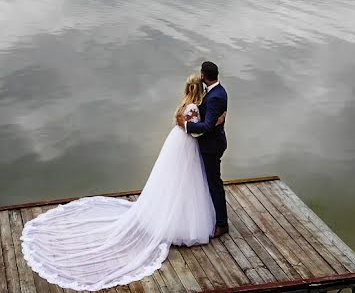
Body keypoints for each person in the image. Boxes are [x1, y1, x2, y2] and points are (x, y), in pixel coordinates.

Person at [21, 72, 226, 291]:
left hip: (177, 144)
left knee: (177, 182)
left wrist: (204, 123)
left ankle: (179, 216)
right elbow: (199, 131)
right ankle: (188, 221)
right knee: (189, 183)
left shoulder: (185, 105)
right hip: (188, 146)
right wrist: (210, 124)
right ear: (200, 89)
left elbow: (197, 125)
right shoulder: (195, 107)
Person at [178, 60, 229, 237]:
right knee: (210, 182)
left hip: (212, 147)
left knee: (214, 184)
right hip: (213, 142)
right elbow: (211, 119)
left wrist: (186, 125)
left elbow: (206, 126)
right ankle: (213, 216)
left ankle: (222, 224)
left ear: (203, 75)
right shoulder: (218, 91)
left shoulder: (215, 96)